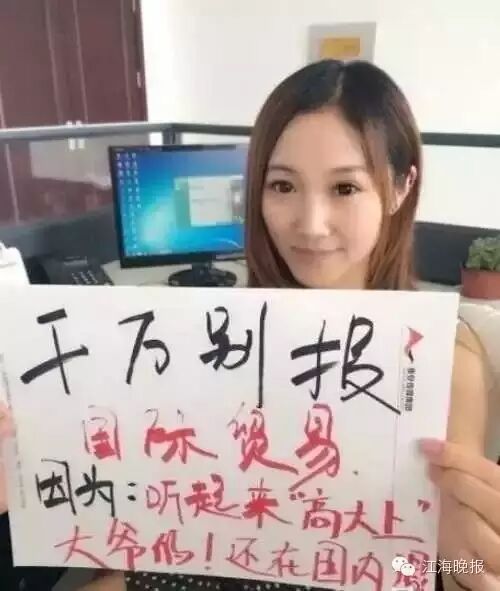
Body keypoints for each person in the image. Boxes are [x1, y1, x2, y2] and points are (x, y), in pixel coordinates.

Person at [1, 59, 499, 591]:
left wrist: (461, 568)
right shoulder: (218, 339)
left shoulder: (444, 361)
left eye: (345, 188)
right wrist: (27, 475)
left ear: (401, 187)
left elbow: (420, 568)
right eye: (282, 185)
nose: (310, 225)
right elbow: (156, 524)